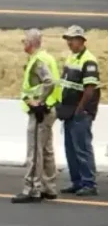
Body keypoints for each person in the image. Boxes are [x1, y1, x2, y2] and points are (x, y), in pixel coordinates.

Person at [12, 29, 61, 203]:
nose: (23, 43)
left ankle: (32, 188)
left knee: (34, 150)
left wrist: (39, 101)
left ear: (31, 43)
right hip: (50, 109)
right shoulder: (47, 57)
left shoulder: (38, 60)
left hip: (40, 111)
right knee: (47, 150)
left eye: (25, 41)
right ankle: (50, 187)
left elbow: (48, 81)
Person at [56, 25, 100, 197]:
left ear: (81, 40)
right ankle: (77, 182)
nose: (69, 42)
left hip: (80, 112)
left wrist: (81, 109)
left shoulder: (89, 60)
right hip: (68, 111)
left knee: (82, 148)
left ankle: (89, 183)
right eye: (67, 39)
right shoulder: (72, 58)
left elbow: (89, 88)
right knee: (70, 149)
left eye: (71, 39)